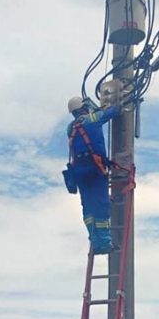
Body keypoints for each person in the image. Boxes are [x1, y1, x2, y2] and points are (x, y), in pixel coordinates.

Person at [65, 96, 122, 254]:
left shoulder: (70, 128)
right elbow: (113, 111)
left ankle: (95, 241)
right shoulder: (93, 118)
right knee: (101, 205)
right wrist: (113, 104)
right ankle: (104, 243)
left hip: (79, 173)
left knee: (88, 209)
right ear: (83, 107)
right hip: (95, 169)